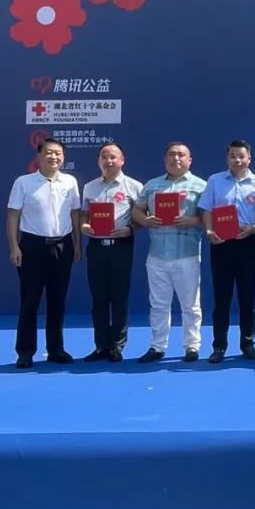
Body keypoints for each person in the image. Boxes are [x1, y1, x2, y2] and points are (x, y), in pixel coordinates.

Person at [7, 137, 81, 368]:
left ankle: (56, 349)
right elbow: (13, 215)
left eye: (58, 153)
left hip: (63, 245)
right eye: (48, 152)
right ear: (39, 155)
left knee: (57, 300)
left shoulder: (70, 182)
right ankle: (25, 352)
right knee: (30, 300)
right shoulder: (23, 182)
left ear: (63, 157)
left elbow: (75, 214)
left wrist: (77, 244)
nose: (53, 157)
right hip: (32, 246)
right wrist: (14, 246)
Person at [133, 142, 207, 363]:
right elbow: (137, 210)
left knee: (190, 305)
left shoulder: (201, 186)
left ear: (189, 160)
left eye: (181, 155)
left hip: (187, 254)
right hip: (157, 254)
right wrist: (145, 220)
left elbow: (209, 217)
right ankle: (157, 346)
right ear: (165, 160)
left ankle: (192, 346)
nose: (176, 159)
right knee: (158, 305)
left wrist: (193, 220)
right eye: (172, 155)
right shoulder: (152, 185)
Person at [199, 140, 255, 364]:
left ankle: (248, 343)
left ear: (249, 159)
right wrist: (209, 231)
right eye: (233, 156)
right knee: (222, 298)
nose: (237, 160)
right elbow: (207, 210)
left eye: (242, 156)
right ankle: (219, 346)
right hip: (221, 244)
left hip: (248, 244)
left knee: (247, 297)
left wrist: (254, 227)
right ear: (227, 158)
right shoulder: (215, 181)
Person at [79, 142, 142, 363]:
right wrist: (84, 226)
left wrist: (130, 229)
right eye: (104, 157)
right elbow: (84, 214)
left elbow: (141, 217)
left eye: (113, 157)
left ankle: (117, 345)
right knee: (99, 298)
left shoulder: (134, 186)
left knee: (119, 297)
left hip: (121, 246)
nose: (109, 161)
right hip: (96, 247)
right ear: (98, 161)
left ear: (122, 160)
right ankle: (101, 346)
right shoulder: (89, 187)